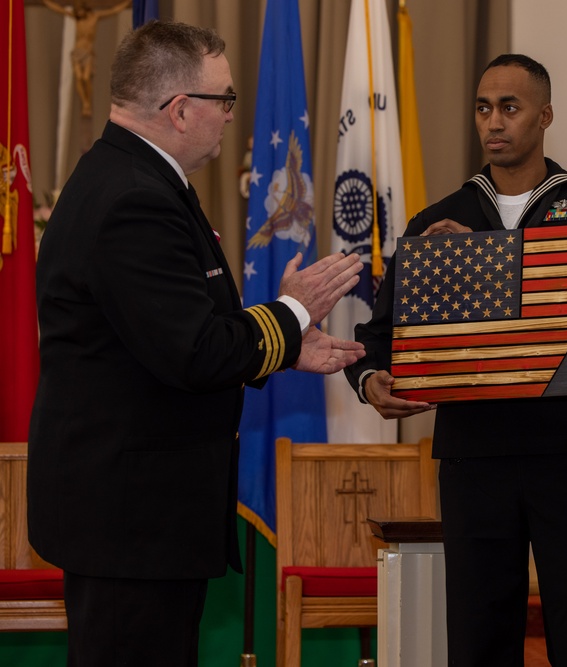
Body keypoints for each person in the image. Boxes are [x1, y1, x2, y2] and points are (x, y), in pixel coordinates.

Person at [27, 21, 365, 666]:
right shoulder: (134, 200)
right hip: (130, 520)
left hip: (135, 513)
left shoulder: (130, 178)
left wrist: (285, 342)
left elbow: (170, 333)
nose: (231, 115)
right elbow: (194, 353)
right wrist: (295, 310)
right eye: (225, 99)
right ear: (181, 110)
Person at [345, 54, 567, 666]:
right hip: (473, 456)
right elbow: (377, 334)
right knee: (479, 634)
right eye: (483, 108)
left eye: (510, 107)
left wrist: (487, 264)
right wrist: (372, 380)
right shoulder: (434, 224)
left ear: (545, 115)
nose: (493, 122)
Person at [42, 0, 132, 117]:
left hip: (88, 53)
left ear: (84, 10)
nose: (78, 14)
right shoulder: (76, 18)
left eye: (79, 12)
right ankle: (85, 103)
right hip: (76, 53)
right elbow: (58, 9)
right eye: (77, 12)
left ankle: (87, 101)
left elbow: (113, 10)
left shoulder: (95, 17)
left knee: (85, 77)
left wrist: (128, 2)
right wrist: (45, 2)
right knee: (79, 78)